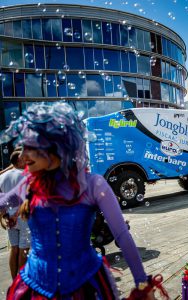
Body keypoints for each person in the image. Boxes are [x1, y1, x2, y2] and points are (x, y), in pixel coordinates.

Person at [0, 103, 165, 299]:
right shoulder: (28, 184)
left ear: (57, 146)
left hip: (87, 286)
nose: (24, 155)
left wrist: (142, 284)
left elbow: (122, 235)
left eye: (31, 147)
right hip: (34, 287)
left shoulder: (93, 184)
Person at [0, 147, 30, 279]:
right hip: (22, 216)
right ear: (19, 161)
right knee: (24, 249)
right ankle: (22, 282)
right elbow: (26, 199)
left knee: (14, 248)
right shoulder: (25, 176)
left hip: (9, 218)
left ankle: (14, 280)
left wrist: (5, 216)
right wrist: (15, 215)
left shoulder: (2, 176)